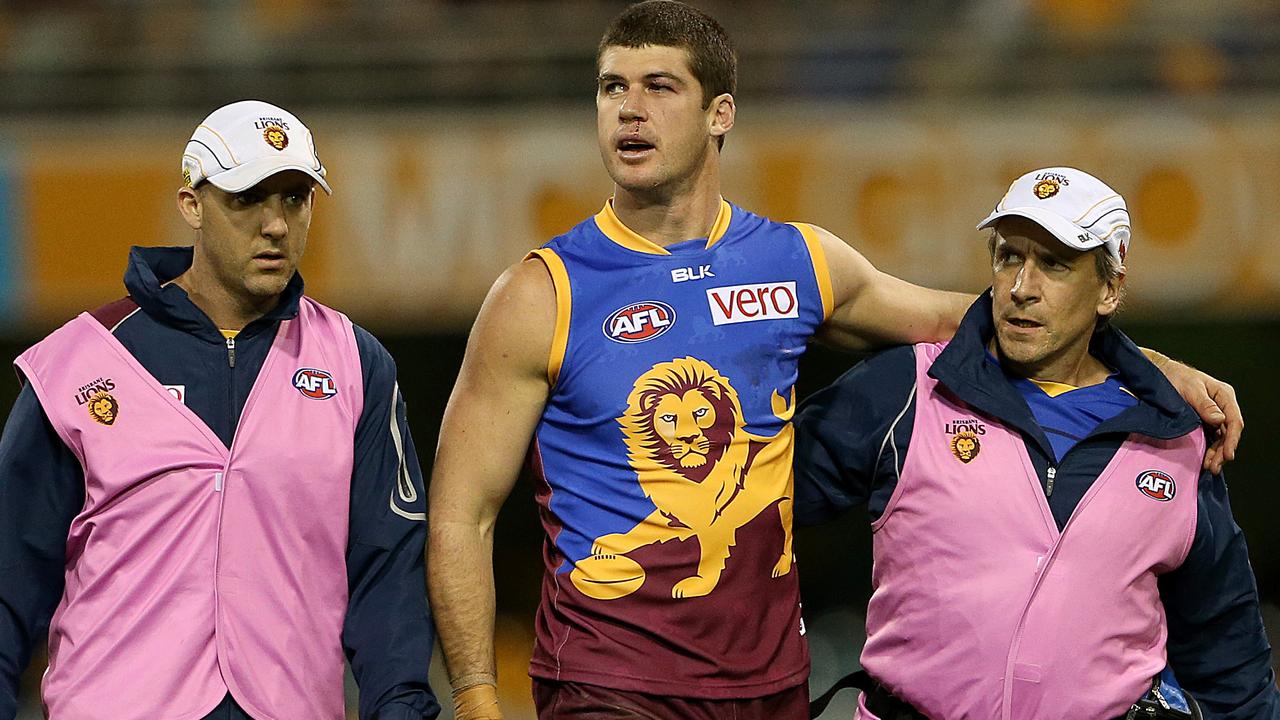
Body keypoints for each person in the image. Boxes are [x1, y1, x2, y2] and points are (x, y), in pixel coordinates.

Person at [426, 3, 1242, 718]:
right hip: (611, 684)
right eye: (612, 88)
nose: (628, 111)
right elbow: (463, 512)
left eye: (658, 87)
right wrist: (474, 696)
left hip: (770, 688)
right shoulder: (542, 294)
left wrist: (1156, 365)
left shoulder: (799, 263)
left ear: (720, 114)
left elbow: (983, 319)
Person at [0, 100, 439, 720]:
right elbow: (9, 578)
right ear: (191, 205)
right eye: (247, 199)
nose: (277, 225)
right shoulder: (77, 363)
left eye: (295, 199)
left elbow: (387, 573)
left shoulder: (357, 365)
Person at [794, 167, 1278, 719]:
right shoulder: (908, 388)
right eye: (1008, 257)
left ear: (1111, 289)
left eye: (1054, 263)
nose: (1022, 287)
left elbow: (1230, 664)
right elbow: (751, 502)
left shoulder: (1176, 438)